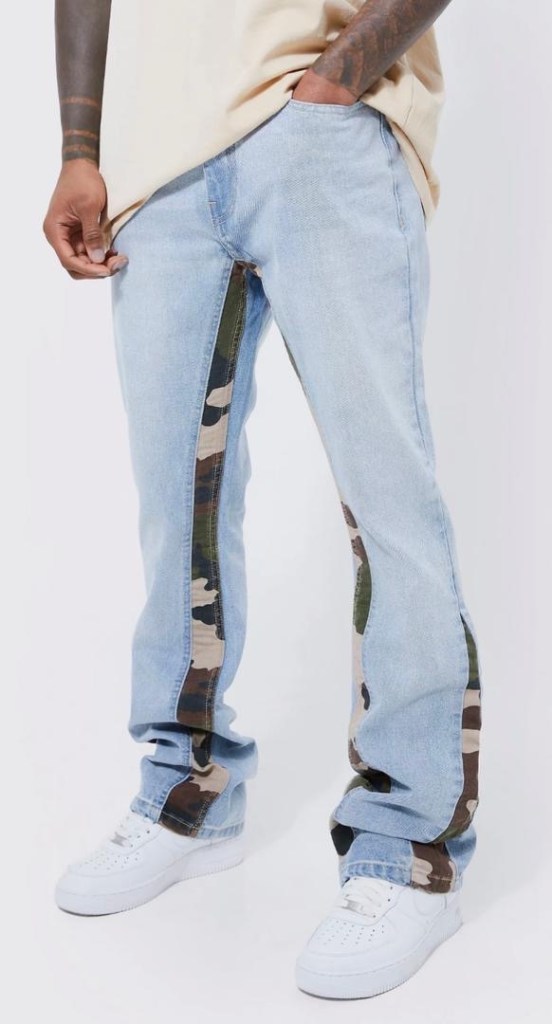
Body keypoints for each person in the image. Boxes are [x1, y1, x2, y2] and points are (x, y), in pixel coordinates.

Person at [43, 0, 482, 1000]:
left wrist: (335, 80)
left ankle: (410, 847)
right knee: (176, 509)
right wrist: (80, 151)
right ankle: (188, 793)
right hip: (156, 169)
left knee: (387, 504)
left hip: (323, 132)